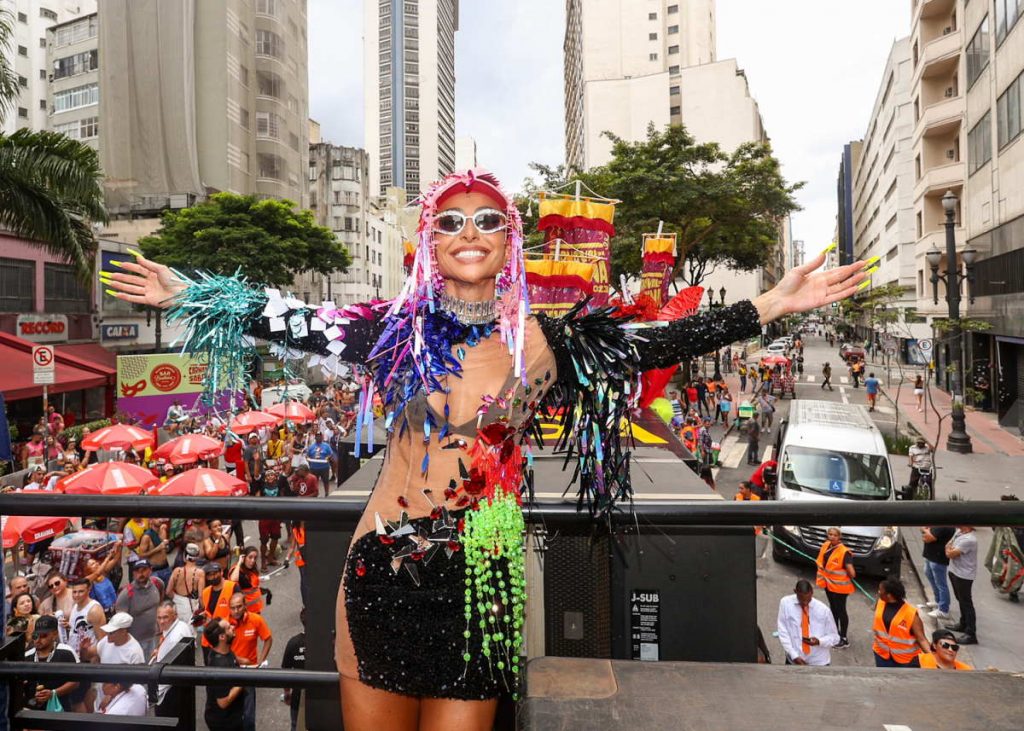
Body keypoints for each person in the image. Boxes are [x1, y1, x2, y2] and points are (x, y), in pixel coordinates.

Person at [106, 168, 871, 729]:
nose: (468, 231)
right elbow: (289, 316)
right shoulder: (387, 333)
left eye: (487, 219)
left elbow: (659, 339)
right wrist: (188, 293)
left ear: (510, 239)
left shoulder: (548, 340)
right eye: (449, 220)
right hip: (381, 574)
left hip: (483, 577)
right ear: (427, 242)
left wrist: (771, 303)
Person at [228, 591, 273, 730]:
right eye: (233, 607)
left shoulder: (256, 620)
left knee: (248, 714)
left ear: (245, 605)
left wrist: (259, 662)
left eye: (239, 607)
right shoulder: (225, 624)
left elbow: (268, 639)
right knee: (230, 711)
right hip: (229, 671)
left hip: (248, 672)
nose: (236, 611)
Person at [776, 579, 839, 666]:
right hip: (793, 661)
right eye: (801, 600)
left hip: (818, 663)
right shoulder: (785, 603)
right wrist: (794, 655)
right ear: (795, 592)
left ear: (812, 592)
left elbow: (835, 637)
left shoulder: (824, 610)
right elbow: (783, 631)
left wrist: (819, 641)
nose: (805, 604)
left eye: (808, 600)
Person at [23, 615, 80, 712]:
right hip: (33, 711)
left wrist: (54, 693)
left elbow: (76, 681)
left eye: (44, 636)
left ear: (55, 634)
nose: (38, 640)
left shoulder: (66, 652)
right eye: (35, 636)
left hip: (60, 709)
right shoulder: (27, 655)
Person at [872, 578, 930, 667]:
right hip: (881, 655)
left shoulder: (911, 614)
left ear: (889, 595)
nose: (878, 592)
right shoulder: (880, 602)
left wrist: (934, 659)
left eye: (880, 590)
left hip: (906, 661)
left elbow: (921, 639)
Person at [153, 599, 196, 717]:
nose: (161, 622)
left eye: (165, 617)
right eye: (159, 617)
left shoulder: (174, 638)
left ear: (175, 616)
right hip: (182, 689)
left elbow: (167, 676)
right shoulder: (181, 626)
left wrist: (154, 695)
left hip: (171, 694)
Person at [114, 559, 164, 657]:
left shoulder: (157, 584)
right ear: (133, 573)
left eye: (144, 570)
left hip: (153, 637)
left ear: (150, 570)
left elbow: (159, 603)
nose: (140, 574)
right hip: (135, 642)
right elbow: (120, 622)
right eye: (137, 571)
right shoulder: (126, 594)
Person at [815, 527, 855, 648]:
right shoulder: (826, 545)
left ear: (839, 537)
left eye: (835, 535)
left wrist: (846, 572)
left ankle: (843, 638)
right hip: (829, 585)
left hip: (840, 589)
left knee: (841, 610)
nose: (832, 537)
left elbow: (852, 573)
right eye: (830, 534)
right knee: (833, 609)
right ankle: (834, 632)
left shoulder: (844, 552)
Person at [204, 618, 246, 731]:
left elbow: (233, 659)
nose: (232, 627)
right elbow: (223, 702)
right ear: (222, 637)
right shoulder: (219, 667)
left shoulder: (224, 651)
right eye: (228, 628)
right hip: (225, 723)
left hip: (232, 717)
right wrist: (244, 679)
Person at [944, 525, 978, 645]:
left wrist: (949, 550)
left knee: (966, 602)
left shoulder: (969, 539)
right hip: (954, 571)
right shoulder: (959, 532)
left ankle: (971, 633)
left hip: (964, 575)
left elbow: (950, 554)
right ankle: (963, 623)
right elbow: (948, 545)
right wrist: (949, 549)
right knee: (960, 599)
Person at [199, 562, 238, 661]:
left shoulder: (232, 587)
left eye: (215, 573)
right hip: (209, 640)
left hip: (226, 639)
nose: (213, 576)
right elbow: (207, 612)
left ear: (221, 572)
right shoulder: (205, 592)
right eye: (210, 575)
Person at [919, 525, 954, 620]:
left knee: (941, 583)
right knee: (928, 573)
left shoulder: (944, 525)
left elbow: (929, 537)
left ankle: (943, 609)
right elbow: (922, 528)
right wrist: (927, 531)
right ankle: (938, 600)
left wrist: (926, 531)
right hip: (930, 554)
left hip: (938, 557)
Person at [66, 577, 106, 659]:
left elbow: (102, 641)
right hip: (75, 656)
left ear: (88, 590)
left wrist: (94, 659)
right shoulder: (75, 605)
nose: (77, 595)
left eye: (81, 591)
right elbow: (75, 630)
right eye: (74, 592)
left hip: (89, 659)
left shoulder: (94, 610)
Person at [281, 608, 307, 731]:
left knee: (295, 726)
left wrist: (287, 692)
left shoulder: (293, 643)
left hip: (297, 694)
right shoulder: (324, 642)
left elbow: (285, 670)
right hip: (321, 694)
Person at [167, 542, 205, 623]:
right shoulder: (199, 573)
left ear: (185, 556)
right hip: (191, 608)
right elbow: (201, 596)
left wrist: (177, 599)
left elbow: (168, 592)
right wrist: (204, 609)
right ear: (197, 557)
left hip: (177, 607)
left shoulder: (176, 571)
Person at [136, 517, 173, 587]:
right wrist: (157, 549)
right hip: (154, 571)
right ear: (151, 520)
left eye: (160, 517)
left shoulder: (163, 530)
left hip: (166, 567)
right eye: (156, 518)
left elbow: (165, 550)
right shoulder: (147, 537)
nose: (160, 519)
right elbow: (141, 555)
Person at [229, 546, 266, 614]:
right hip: (246, 611)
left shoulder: (251, 568)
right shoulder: (237, 570)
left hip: (256, 608)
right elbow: (233, 579)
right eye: (250, 557)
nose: (252, 560)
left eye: (255, 558)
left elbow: (251, 583)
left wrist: (259, 579)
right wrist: (239, 562)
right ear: (244, 557)